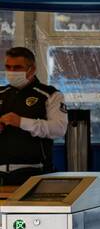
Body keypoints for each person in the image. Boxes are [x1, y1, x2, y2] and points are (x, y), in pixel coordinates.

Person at [0, 46, 67, 186]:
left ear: (32, 69)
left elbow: (59, 129)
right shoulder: (2, 93)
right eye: (8, 67)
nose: (11, 72)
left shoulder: (50, 95)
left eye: (17, 67)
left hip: (34, 172)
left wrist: (21, 122)